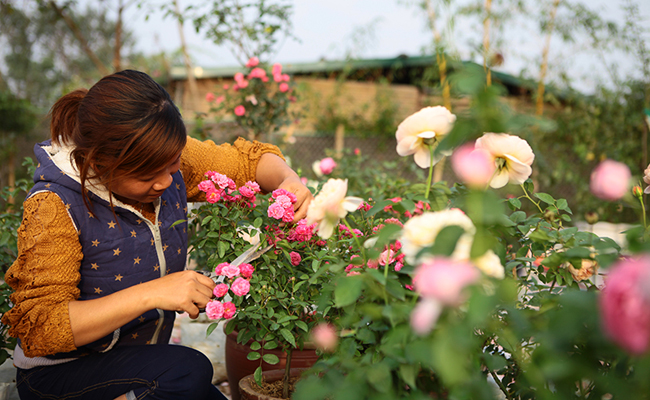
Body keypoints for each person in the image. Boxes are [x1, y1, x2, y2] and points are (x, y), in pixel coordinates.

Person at [0, 69, 312, 400]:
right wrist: (152, 294)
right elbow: (42, 328)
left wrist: (288, 180)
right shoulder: (55, 205)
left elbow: (246, 163)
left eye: (173, 163)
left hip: (142, 367)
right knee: (188, 369)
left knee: (192, 383)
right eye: (147, 174)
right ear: (99, 164)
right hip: (60, 375)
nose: (165, 182)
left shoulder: (162, 154)